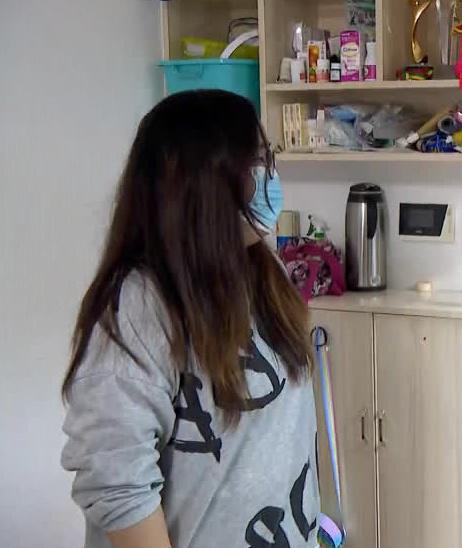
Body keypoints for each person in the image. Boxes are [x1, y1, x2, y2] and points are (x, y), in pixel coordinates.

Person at [61, 90, 321, 548]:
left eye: (269, 159)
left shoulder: (265, 271)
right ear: (205, 187)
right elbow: (118, 485)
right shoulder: (136, 310)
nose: (270, 175)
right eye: (257, 162)